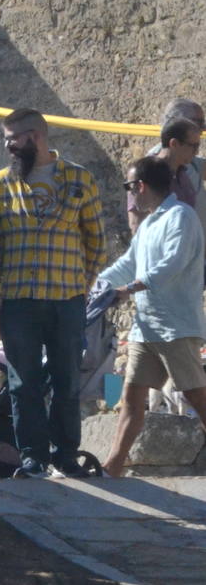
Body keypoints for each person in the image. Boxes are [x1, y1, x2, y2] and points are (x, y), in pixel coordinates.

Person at [0, 108, 105, 479]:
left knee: (67, 380)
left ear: (35, 137)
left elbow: (97, 243)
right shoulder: (1, 183)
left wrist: (80, 287)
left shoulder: (79, 180)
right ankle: (32, 457)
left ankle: (65, 455)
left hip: (66, 299)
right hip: (19, 300)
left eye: (12, 138)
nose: (7, 146)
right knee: (24, 382)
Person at [99, 157, 206, 477]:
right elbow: (129, 263)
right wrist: (96, 285)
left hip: (176, 326)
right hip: (146, 327)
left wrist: (128, 289)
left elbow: (171, 265)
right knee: (132, 397)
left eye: (130, 188)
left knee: (196, 398)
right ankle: (113, 465)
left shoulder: (181, 217)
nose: (130, 195)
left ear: (140, 186)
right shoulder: (148, 225)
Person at [130, 116, 202, 234]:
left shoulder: (183, 174)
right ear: (174, 143)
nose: (196, 152)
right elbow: (136, 224)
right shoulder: (145, 173)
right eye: (193, 146)